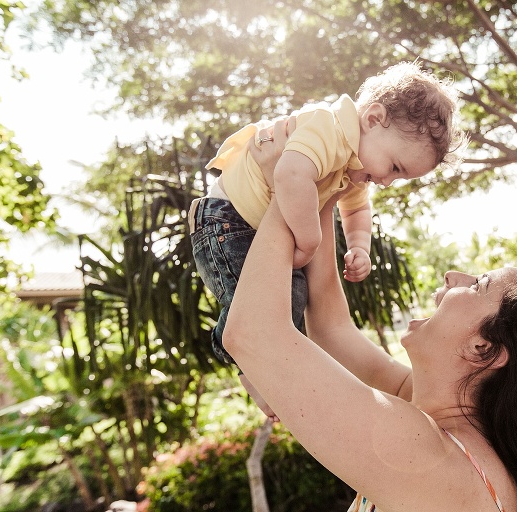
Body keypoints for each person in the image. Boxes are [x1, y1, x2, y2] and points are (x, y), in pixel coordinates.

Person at [220, 127, 517, 511]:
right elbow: (330, 327)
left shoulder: (435, 462)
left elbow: (254, 335)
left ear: (483, 349)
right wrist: (322, 184)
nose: (452, 276)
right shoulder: (440, 419)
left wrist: (286, 179)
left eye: (478, 284)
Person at [188, 62, 463, 412]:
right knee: (271, 304)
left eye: (399, 177)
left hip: (250, 227)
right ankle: (241, 356)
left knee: (292, 297)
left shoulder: (353, 165)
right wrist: (309, 240)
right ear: (374, 119)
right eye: (395, 167)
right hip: (227, 220)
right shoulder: (327, 127)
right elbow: (290, 173)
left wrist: (360, 247)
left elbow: (357, 211)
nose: (386, 181)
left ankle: (255, 365)